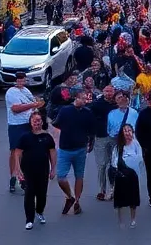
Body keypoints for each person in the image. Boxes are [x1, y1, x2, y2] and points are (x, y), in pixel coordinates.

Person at [53, 88, 94, 216]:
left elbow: (91, 130)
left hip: (81, 149)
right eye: (83, 98)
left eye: (86, 98)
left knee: (79, 176)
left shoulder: (88, 113)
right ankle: (69, 196)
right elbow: (56, 123)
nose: (85, 101)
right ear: (76, 98)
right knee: (61, 177)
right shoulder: (65, 110)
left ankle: (76, 201)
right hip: (65, 149)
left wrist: (90, 143)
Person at [16, 111, 56, 229]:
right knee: (29, 193)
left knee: (42, 193)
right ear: (31, 122)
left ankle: (40, 211)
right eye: (34, 121)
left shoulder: (47, 137)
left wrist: (53, 169)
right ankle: (29, 219)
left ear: (42, 122)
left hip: (43, 169)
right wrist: (18, 170)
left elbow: (52, 154)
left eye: (39, 121)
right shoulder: (25, 137)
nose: (37, 123)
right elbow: (17, 154)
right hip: (28, 169)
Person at [6, 74, 44, 193]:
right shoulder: (11, 92)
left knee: (26, 152)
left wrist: (38, 104)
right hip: (16, 125)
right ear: (15, 81)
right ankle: (13, 177)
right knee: (15, 151)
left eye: (23, 80)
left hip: (28, 124)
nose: (21, 82)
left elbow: (35, 102)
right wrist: (33, 105)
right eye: (19, 80)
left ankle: (23, 177)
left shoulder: (26, 90)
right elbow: (15, 109)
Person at [113, 124, 145, 228]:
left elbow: (140, 158)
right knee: (120, 200)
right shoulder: (118, 146)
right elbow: (114, 160)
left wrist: (132, 160)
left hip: (133, 175)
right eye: (125, 131)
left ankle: (133, 219)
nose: (128, 133)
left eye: (130, 130)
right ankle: (121, 220)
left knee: (133, 199)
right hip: (121, 175)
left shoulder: (136, 144)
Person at [90, 84, 116, 202]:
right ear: (103, 92)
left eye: (111, 91)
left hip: (114, 137)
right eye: (106, 91)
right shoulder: (96, 104)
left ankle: (113, 188)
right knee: (101, 165)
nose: (109, 93)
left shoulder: (117, 104)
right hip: (100, 137)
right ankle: (102, 190)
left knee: (113, 164)